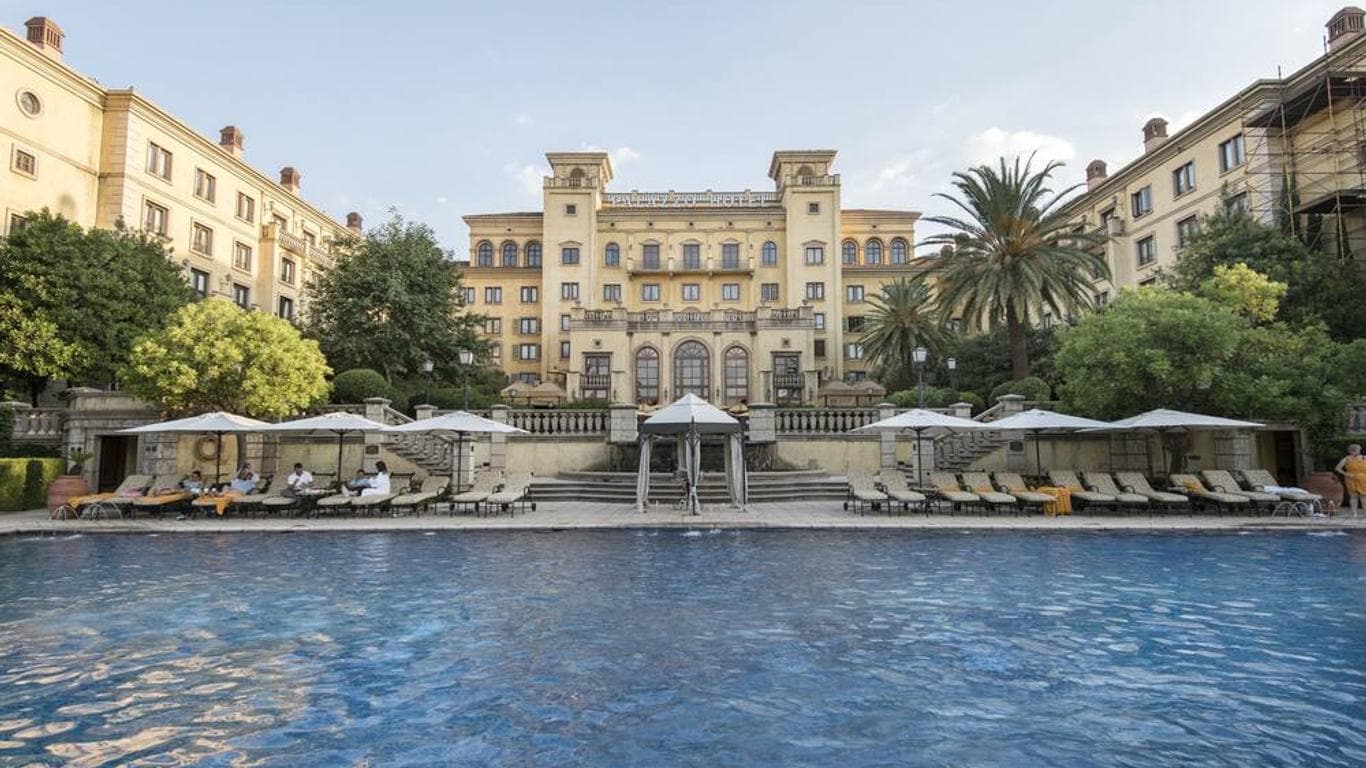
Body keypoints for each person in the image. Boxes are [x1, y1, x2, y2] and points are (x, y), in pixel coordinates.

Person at [1335, 444, 1366, 515]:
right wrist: (1346, 474)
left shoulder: (1364, 458)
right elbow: (1337, 468)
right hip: (1351, 479)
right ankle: (1354, 513)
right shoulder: (1347, 459)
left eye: (1358, 450)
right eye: (1355, 451)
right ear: (1350, 451)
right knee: (1353, 496)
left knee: (1364, 496)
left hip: (1363, 479)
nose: (1357, 452)